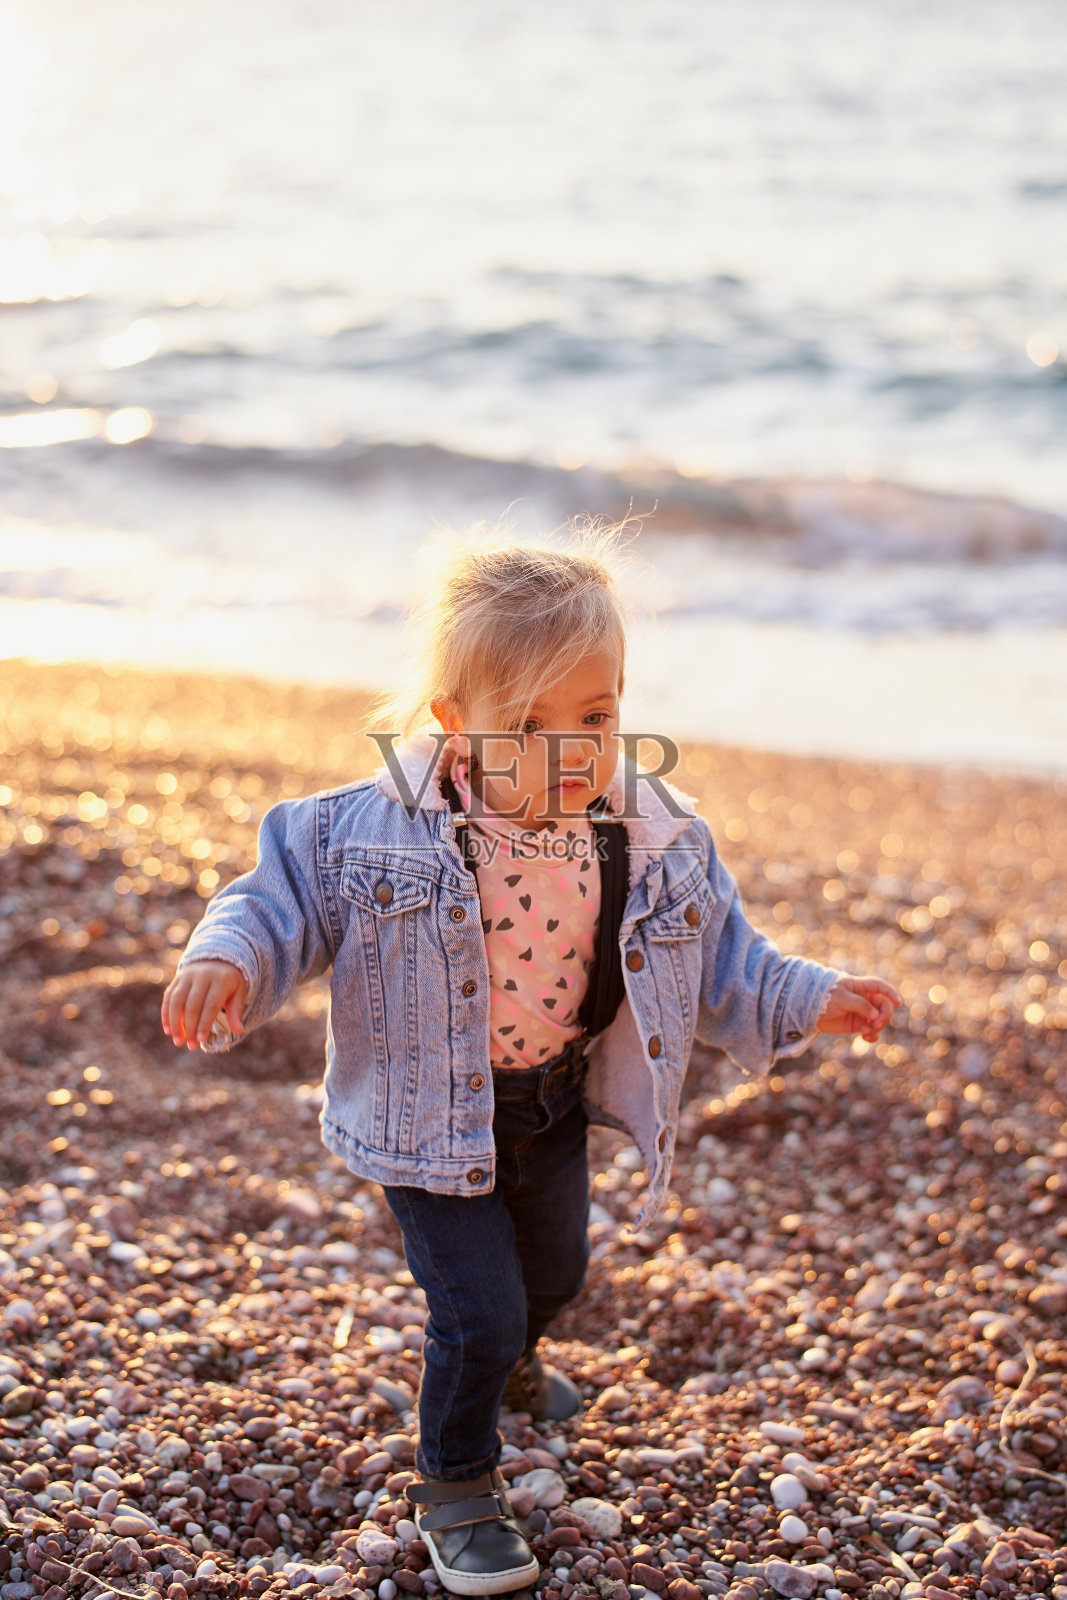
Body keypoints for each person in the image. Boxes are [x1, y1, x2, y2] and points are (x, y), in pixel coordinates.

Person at [160, 525, 900, 1596]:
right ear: (455, 726)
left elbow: (723, 952)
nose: (572, 750)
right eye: (530, 725)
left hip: (550, 1103)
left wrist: (807, 996)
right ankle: (456, 1482)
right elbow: (274, 901)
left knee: (556, 1275)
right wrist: (228, 954)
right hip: (425, 1118)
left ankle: (510, 1364)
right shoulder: (370, 832)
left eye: (596, 718)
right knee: (478, 1304)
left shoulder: (646, 830)